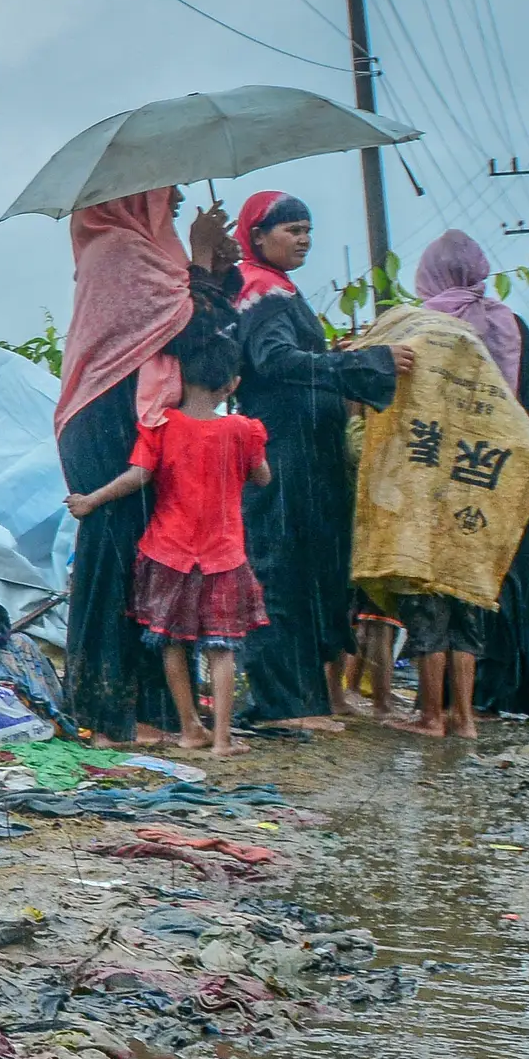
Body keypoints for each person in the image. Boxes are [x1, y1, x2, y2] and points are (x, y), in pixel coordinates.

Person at [227, 192, 414, 728]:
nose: (303, 238)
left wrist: (342, 363)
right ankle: (280, 705)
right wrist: (362, 364)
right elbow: (275, 361)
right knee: (282, 570)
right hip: (285, 451)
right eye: (290, 229)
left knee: (315, 570)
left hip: (310, 454)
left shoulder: (277, 289)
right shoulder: (260, 290)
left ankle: (310, 699)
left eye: (307, 229)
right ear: (257, 237)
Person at [51, 188, 227, 744]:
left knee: (154, 564)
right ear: (131, 195)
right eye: (163, 187)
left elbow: (212, 339)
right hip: (106, 418)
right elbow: (194, 330)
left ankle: (157, 711)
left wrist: (215, 267)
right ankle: (107, 715)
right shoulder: (118, 251)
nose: (176, 196)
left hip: (137, 419)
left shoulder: (153, 254)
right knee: (115, 562)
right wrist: (199, 261)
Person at [66, 320, 270, 753]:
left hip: (167, 552)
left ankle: (189, 729)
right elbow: (262, 478)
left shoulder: (161, 427)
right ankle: (222, 739)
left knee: (173, 643)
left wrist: (90, 502)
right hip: (223, 555)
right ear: (232, 383)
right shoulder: (244, 430)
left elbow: (137, 477)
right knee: (221, 647)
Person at [413, 226, 529, 723]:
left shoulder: (422, 326)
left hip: (443, 477)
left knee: (447, 587)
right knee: (503, 581)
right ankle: (501, 695)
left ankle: (448, 704)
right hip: (504, 475)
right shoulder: (510, 325)